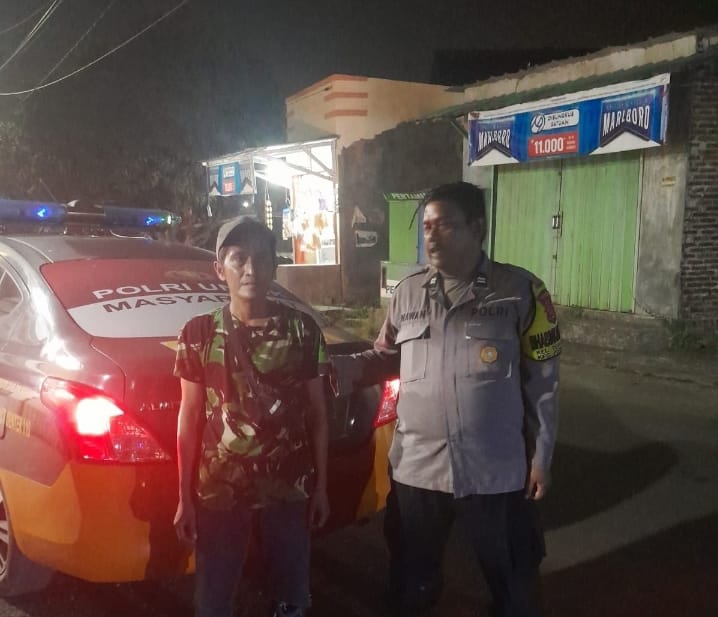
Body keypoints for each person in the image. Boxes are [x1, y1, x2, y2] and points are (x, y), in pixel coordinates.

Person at [332, 182, 560, 617]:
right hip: (419, 469)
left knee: (514, 583)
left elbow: (543, 382)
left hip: (495, 471)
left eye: (445, 225)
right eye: (427, 226)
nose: (431, 236)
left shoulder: (520, 292)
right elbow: (387, 357)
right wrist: (335, 369)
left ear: (477, 228)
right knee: (410, 583)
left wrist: (541, 457)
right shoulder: (407, 293)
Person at [173, 216, 330, 617]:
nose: (250, 269)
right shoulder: (198, 333)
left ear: (274, 267)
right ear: (219, 268)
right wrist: (184, 497)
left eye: (261, 259)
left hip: (288, 486)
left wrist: (322, 487)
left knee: (292, 596)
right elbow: (189, 417)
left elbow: (317, 413)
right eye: (239, 258)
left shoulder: (303, 331)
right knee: (214, 599)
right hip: (220, 490)